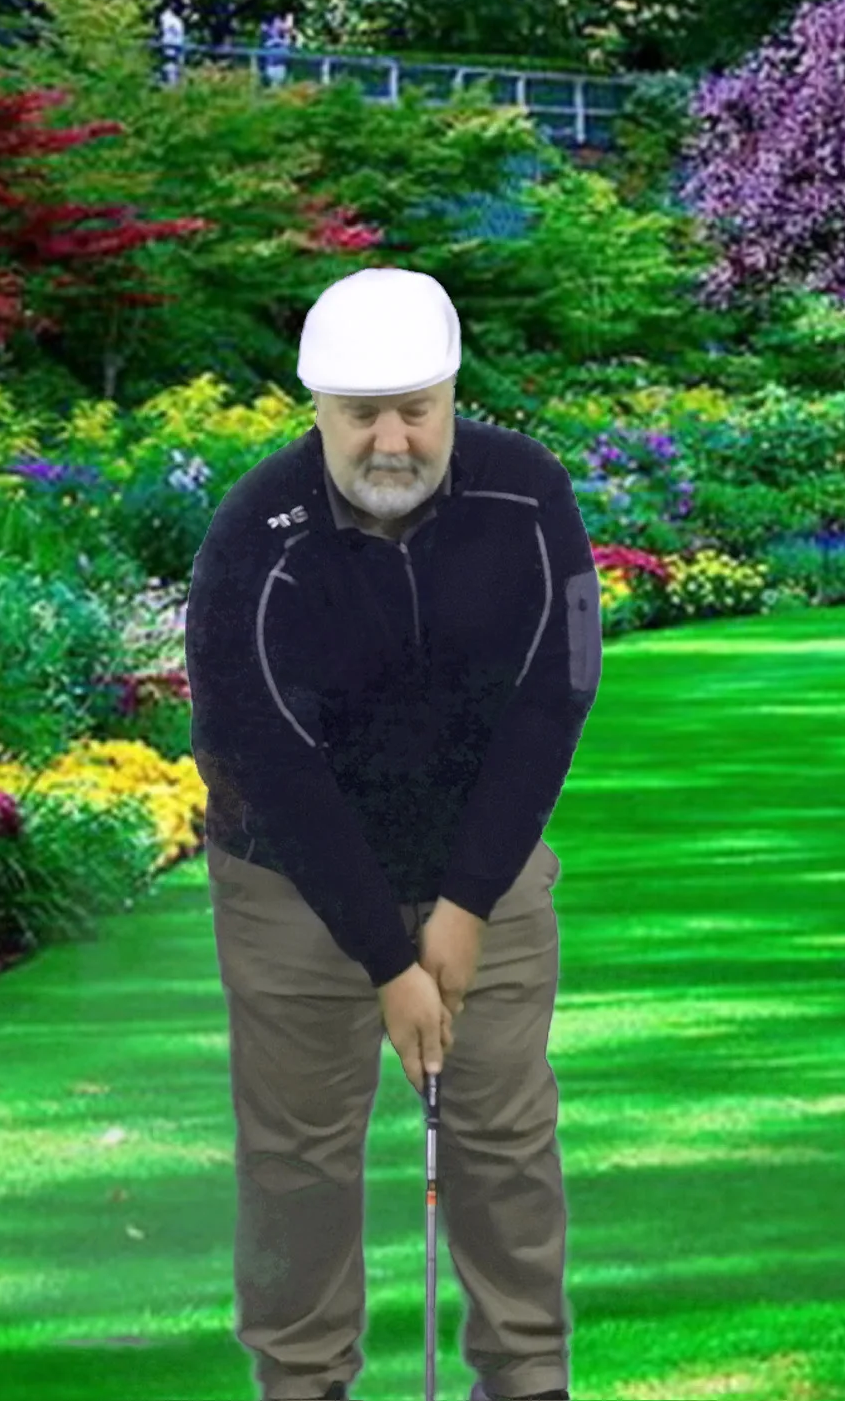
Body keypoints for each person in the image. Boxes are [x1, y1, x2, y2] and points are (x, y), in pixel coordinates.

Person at [185, 266, 595, 1401]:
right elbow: (265, 755)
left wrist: (465, 904)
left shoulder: (527, 494)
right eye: (361, 413)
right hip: (290, 882)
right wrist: (387, 957)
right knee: (298, 1157)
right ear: (316, 407)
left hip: (484, 868)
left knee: (502, 1134)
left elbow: (553, 697)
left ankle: (528, 1376)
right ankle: (302, 1380)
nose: (392, 438)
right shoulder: (255, 532)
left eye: (416, 408)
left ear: (453, 393)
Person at [261, 10, 294, 87]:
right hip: (272, 63)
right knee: (274, 82)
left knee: (278, 82)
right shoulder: (267, 31)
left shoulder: (281, 35)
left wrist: (290, 17)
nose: (279, 22)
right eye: (278, 20)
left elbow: (288, 29)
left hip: (279, 63)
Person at [159, 0, 187, 87]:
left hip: (176, 51)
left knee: (177, 75)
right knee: (170, 75)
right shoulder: (168, 18)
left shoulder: (176, 20)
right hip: (170, 51)